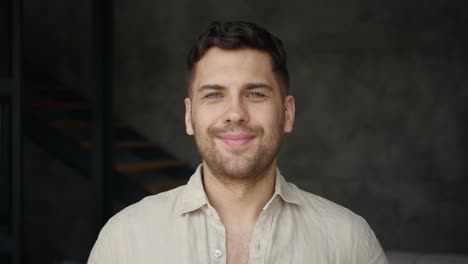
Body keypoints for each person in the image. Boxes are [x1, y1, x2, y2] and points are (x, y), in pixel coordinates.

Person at [88, 21, 388, 264]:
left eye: (255, 94)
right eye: (214, 95)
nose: (235, 113)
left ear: (287, 114)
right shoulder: (125, 237)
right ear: (190, 116)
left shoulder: (348, 240)